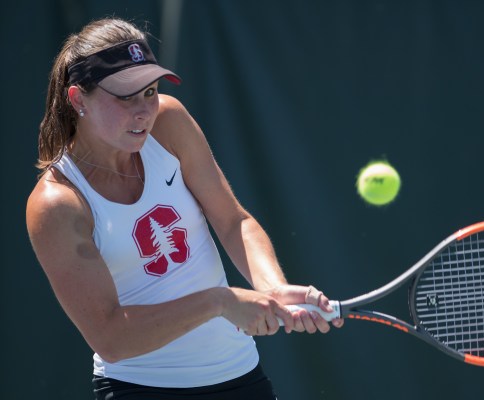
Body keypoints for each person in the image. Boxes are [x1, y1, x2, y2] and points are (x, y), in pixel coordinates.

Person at [26, 17, 343, 400]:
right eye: (126, 96)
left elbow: (233, 221)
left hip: (241, 376)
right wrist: (220, 301)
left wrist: (273, 289)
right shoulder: (57, 204)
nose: (144, 110)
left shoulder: (169, 121)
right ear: (79, 100)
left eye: (150, 91)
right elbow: (111, 337)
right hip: (141, 390)